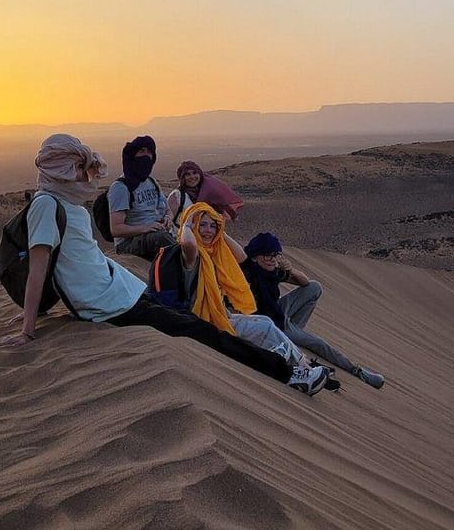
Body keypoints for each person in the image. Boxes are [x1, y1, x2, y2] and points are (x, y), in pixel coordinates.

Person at [0, 134, 329, 396]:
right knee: (203, 333)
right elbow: (40, 266)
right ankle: (290, 374)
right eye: (76, 169)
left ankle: (290, 362)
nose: (83, 176)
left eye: (83, 167)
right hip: (109, 306)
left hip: (127, 289)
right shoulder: (46, 205)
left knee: (199, 321)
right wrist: (28, 329)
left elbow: (74, 261)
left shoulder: (71, 206)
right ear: (58, 171)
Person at [152, 202, 318, 372]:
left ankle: (301, 361)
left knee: (265, 322)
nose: (208, 230)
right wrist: (186, 222)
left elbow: (243, 258)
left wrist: (221, 231)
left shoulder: (214, 254)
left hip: (220, 315)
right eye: (202, 225)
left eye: (212, 226)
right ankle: (298, 368)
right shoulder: (192, 256)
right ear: (193, 227)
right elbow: (189, 244)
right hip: (205, 320)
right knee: (265, 328)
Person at [242, 232, 385, 389]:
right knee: (320, 344)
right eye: (268, 255)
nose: (273, 259)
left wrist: (289, 269)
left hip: (279, 313)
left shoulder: (272, 271)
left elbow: (305, 282)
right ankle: (358, 371)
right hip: (272, 325)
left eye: (276, 255)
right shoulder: (249, 270)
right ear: (255, 256)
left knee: (315, 287)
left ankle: (297, 331)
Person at [108, 136, 173, 260]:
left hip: (157, 234)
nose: (146, 155)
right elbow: (116, 229)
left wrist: (168, 218)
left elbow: (168, 210)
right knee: (162, 240)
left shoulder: (152, 182)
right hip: (129, 243)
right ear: (133, 155)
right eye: (142, 151)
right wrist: (145, 228)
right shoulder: (121, 187)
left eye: (149, 152)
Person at [167, 160, 243, 228]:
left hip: (205, 238)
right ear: (182, 177)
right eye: (187, 174)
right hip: (181, 239)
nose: (192, 177)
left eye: (194, 173)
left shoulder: (207, 193)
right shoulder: (177, 195)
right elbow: (168, 220)